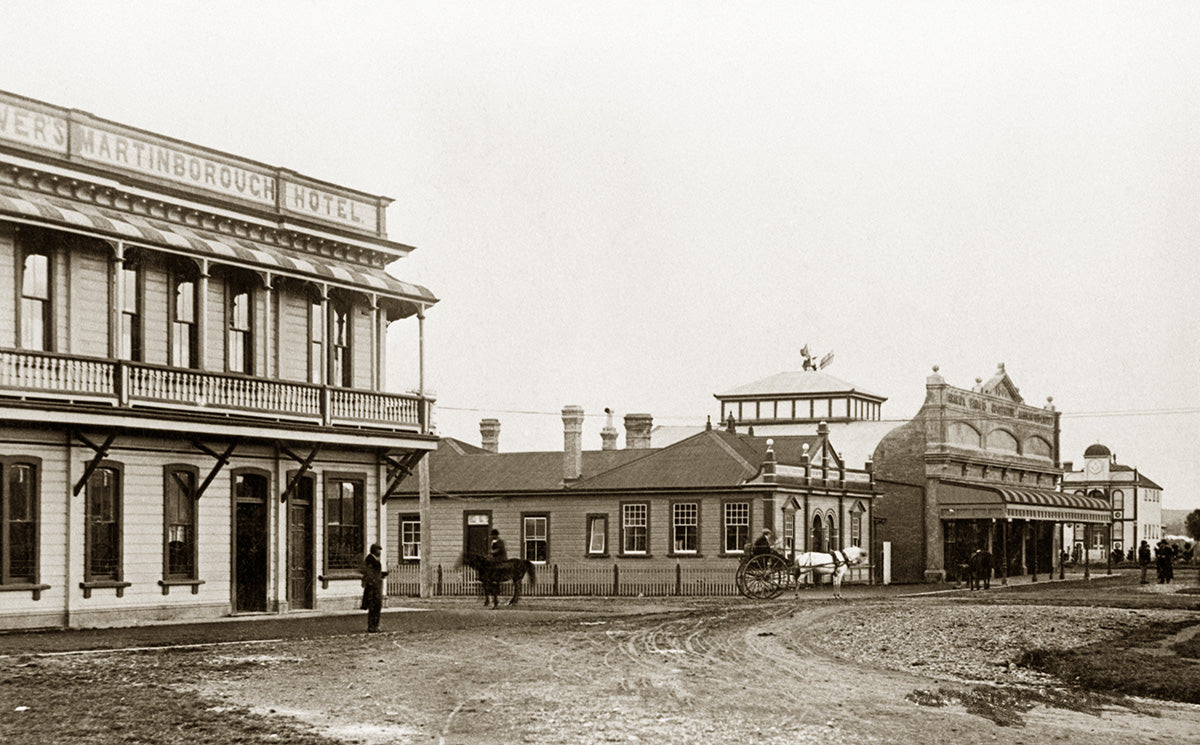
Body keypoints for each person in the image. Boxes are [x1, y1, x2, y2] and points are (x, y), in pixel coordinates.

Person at [361, 543, 386, 633]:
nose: (380, 552)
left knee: (376, 607)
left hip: (376, 586)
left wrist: (381, 575)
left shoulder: (374, 560)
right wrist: (376, 580)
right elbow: (369, 574)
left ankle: (375, 625)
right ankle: (372, 626)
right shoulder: (370, 560)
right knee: (373, 607)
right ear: (374, 551)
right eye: (378, 550)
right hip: (373, 588)